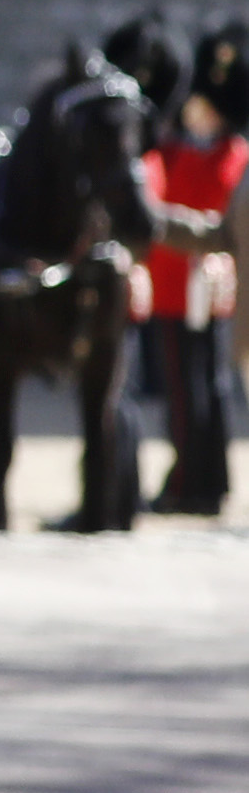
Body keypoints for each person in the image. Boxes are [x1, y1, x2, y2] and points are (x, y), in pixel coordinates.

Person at [136, 28, 240, 515]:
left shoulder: (186, 154)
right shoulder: (231, 154)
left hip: (179, 289)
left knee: (187, 392)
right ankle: (210, 478)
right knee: (209, 388)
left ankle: (187, 483)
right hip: (211, 291)